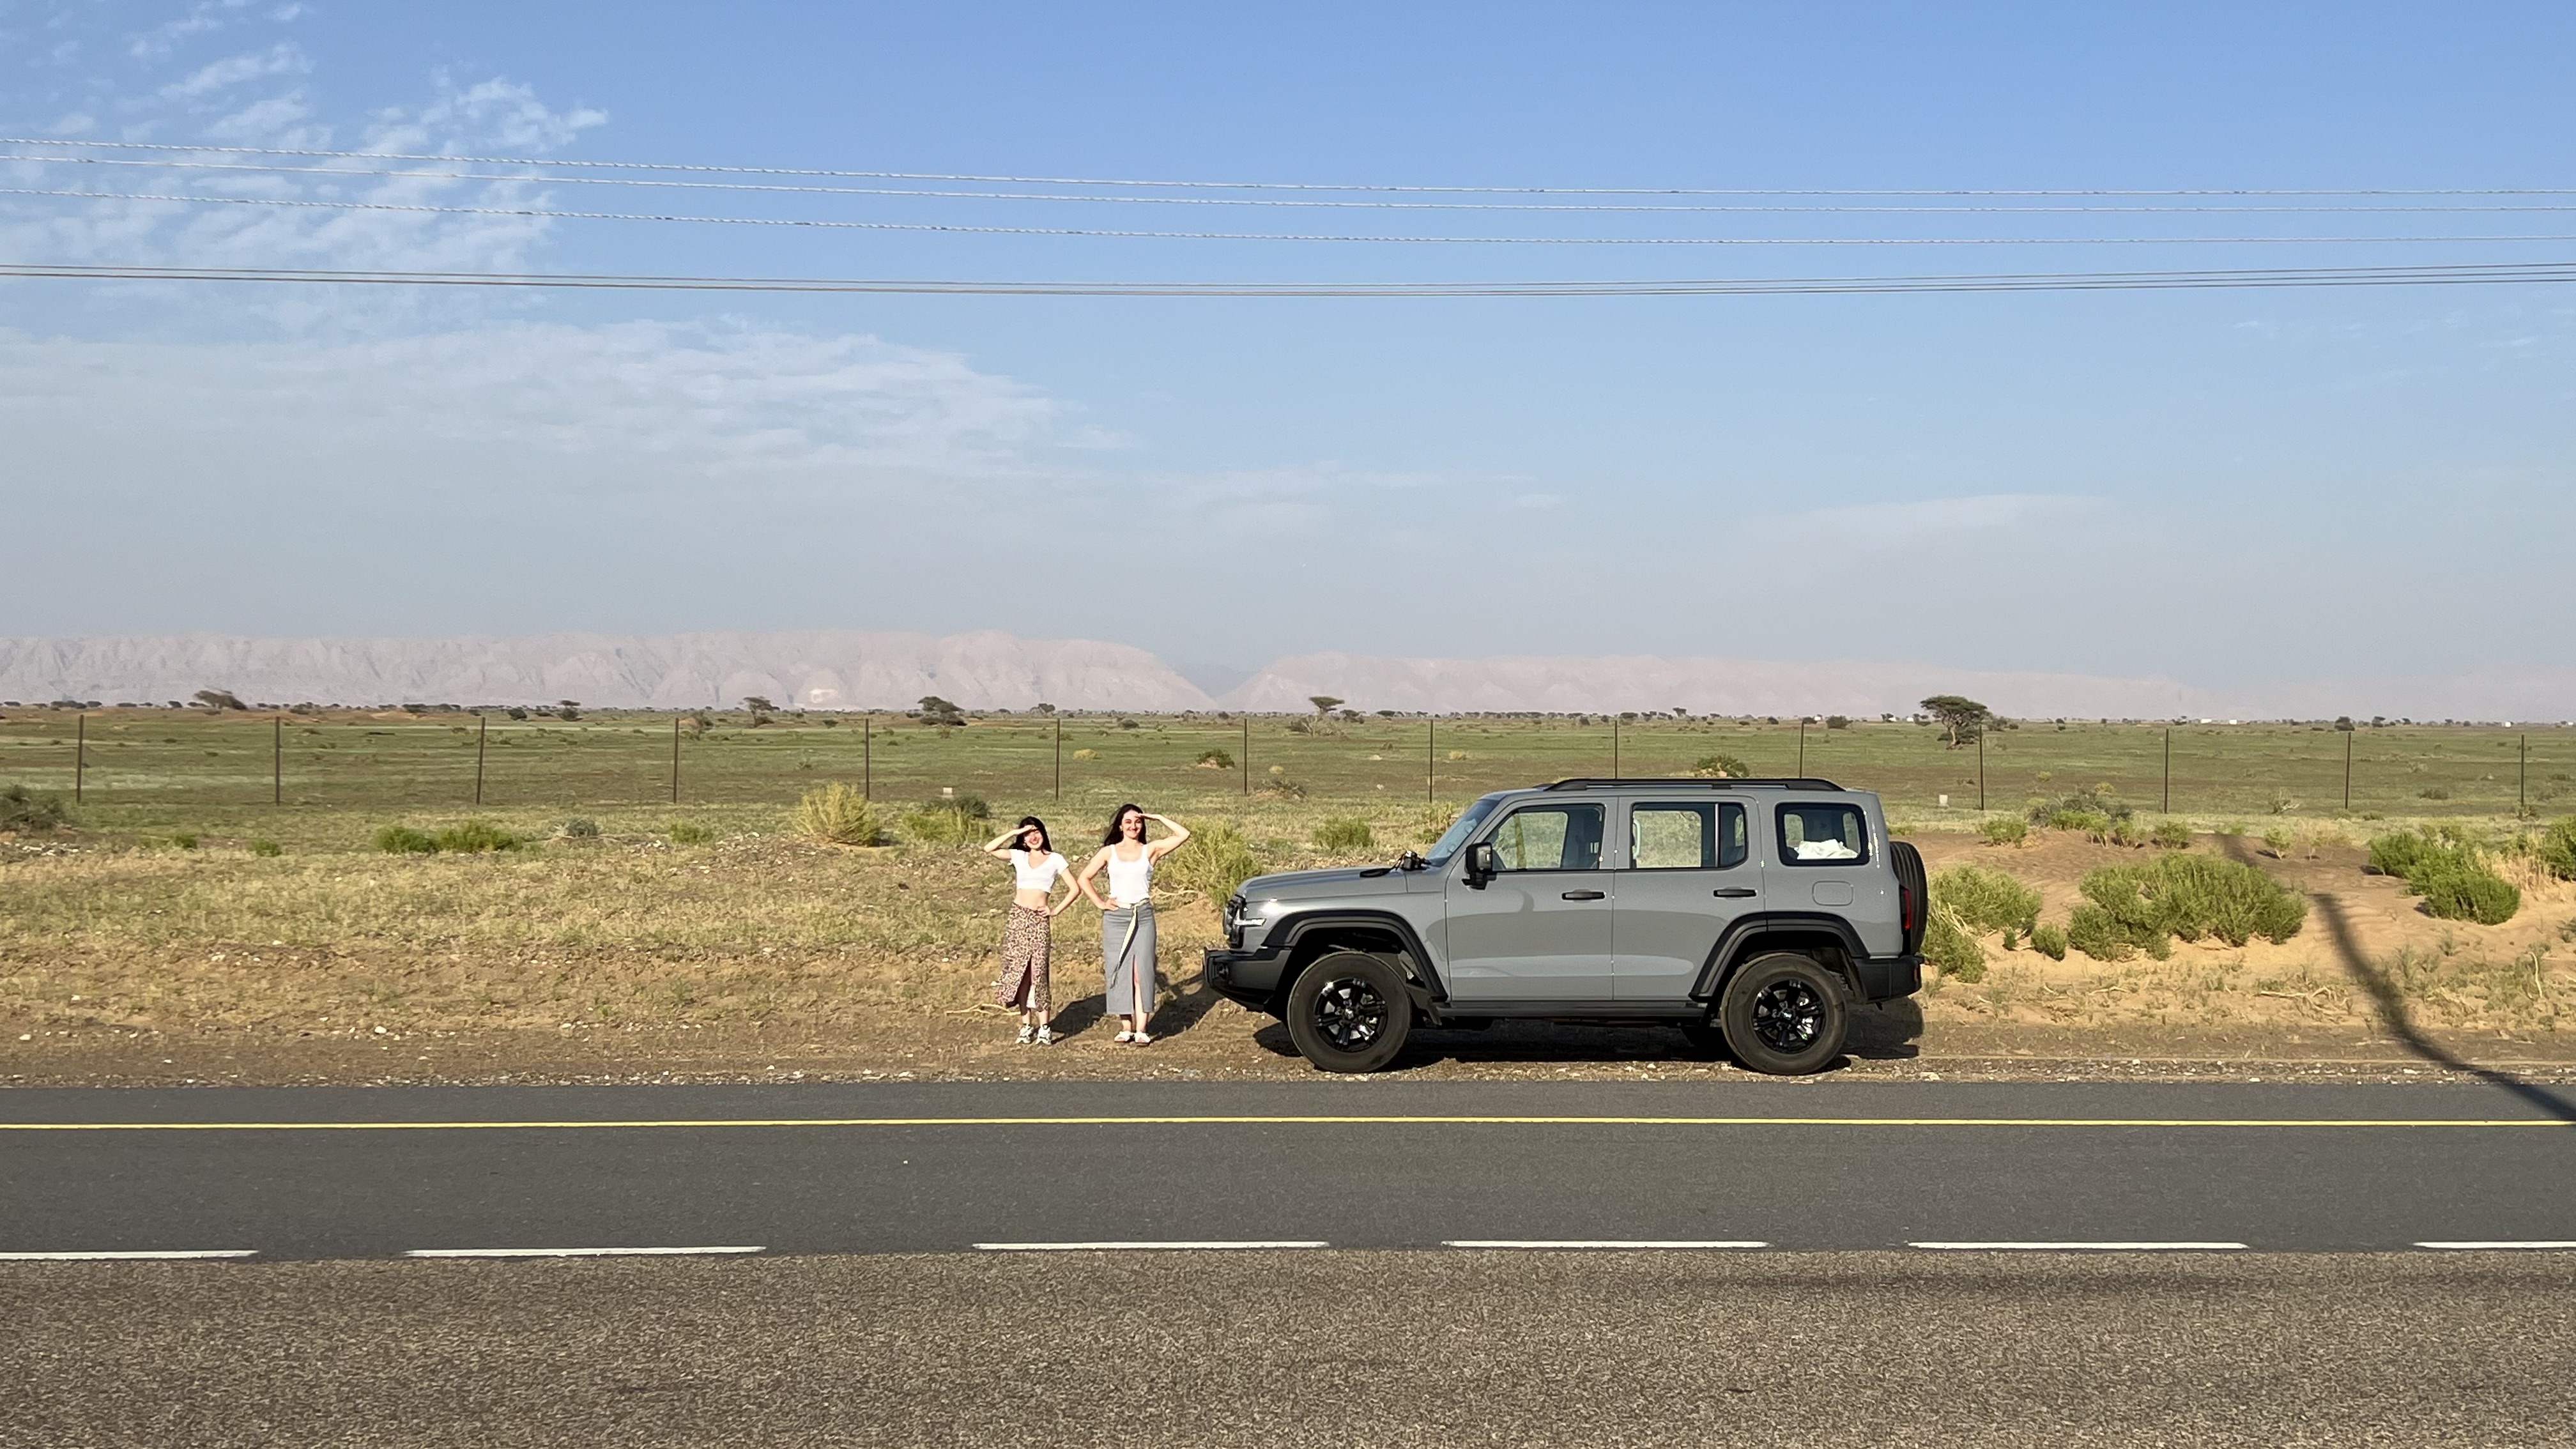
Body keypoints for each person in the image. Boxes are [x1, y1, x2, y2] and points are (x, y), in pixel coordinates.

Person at [1077, 802, 1189, 1045]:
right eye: (1128, 822)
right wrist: (1100, 902)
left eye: (1138, 822)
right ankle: (1126, 1027)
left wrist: (1158, 817)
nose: (1133, 826)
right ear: (1120, 825)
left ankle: (1142, 1029)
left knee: (1142, 973)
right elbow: (1084, 878)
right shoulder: (1109, 852)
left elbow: (1184, 835)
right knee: (1120, 971)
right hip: (1116, 917)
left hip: (1144, 916)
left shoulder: (1151, 850)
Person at [983, 816, 1078, 1045]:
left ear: (1044, 834)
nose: (1033, 836)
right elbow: (989, 848)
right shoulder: (1019, 856)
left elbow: (1074, 889)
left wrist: (1054, 910)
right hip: (1018, 918)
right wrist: (1015, 833)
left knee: (1038, 972)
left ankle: (1045, 1026)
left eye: (1036, 831)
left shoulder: (1055, 859)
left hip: (1039, 919)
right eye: (1028, 833)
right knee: (1020, 973)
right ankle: (1027, 1025)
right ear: (1023, 839)